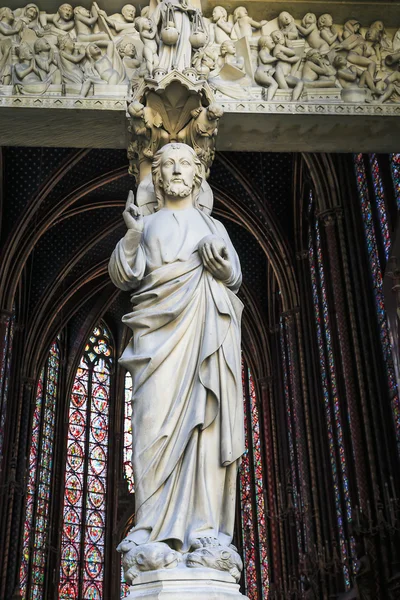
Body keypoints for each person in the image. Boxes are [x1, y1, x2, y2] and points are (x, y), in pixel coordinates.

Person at [110, 143, 244, 563]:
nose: (177, 170)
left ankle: (204, 528)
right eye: (167, 165)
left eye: (185, 163)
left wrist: (221, 267)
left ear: (197, 174)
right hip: (156, 344)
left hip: (203, 338)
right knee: (151, 427)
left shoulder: (214, 227)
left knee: (204, 429)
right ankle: (148, 525)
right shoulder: (146, 226)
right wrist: (132, 233)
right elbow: (125, 274)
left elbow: (233, 275)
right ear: (160, 178)